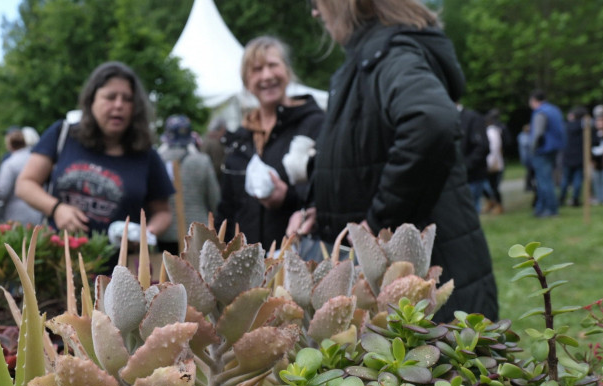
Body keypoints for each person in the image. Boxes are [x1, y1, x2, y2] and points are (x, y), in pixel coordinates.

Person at [298, 0, 498, 322]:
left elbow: (430, 121)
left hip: (425, 298)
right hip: (409, 292)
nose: (315, 12)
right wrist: (318, 207)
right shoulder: (371, 57)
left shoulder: (389, 54)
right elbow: (363, 155)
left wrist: (380, 223)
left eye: (317, 2)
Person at [15, 61, 174, 239]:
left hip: (121, 264)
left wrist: (145, 235)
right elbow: (25, 184)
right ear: (91, 100)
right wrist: (56, 209)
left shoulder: (146, 154)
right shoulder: (63, 134)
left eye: (128, 99)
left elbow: (163, 213)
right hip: (61, 259)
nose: (119, 105)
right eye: (110, 97)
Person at [216, 36, 324, 249]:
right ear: (247, 81)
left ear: (287, 71)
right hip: (247, 265)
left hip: (298, 258)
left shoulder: (314, 125)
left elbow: (329, 194)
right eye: (256, 69)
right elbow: (227, 209)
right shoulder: (240, 140)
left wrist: (288, 198)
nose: (266, 75)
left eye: (273, 65)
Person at [157, 114, 221, 254]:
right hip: (197, 230)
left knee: (167, 274)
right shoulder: (202, 160)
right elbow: (214, 197)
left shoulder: (158, 160)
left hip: (165, 231)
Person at [0, 126, 45, 225]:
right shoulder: (36, 159)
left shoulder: (10, 163)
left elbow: (2, 191)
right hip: (38, 210)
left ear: (9, 144)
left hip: (16, 214)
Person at [528, 89, 566, 218]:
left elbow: (538, 133)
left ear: (534, 101)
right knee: (547, 179)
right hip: (555, 149)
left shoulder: (540, 112)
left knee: (544, 181)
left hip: (542, 150)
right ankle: (540, 208)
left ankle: (551, 209)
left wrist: (532, 149)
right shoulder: (554, 110)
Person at [460, 104, 490, 213]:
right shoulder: (449, 118)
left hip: (473, 175)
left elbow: (483, 146)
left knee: (471, 210)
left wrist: (465, 166)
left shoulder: (472, 118)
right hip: (460, 175)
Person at [558, 106, 587, 207]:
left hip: (567, 155)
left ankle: (562, 198)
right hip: (580, 156)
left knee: (565, 178)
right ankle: (575, 198)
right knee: (578, 178)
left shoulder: (566, 126)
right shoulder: (584, 127)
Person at [483, 109, 507, 214]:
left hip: (493, 164)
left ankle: (498, 205)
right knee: (490, 186)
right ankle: (492, 202)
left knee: (493, 186)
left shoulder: (491, 131)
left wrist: (490, 164)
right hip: (493, 162)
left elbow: (494, 149)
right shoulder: (492, 130)